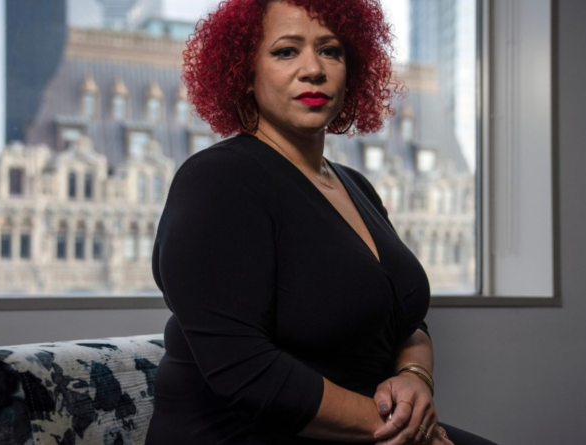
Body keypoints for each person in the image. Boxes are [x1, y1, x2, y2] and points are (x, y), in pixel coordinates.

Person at [146, 0, 497, 444]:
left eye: (330, 51)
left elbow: (405, 321)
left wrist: (414, 377)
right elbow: (246, 373)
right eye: (286, 51)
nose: (314, 69)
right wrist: (409, 433)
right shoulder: (216, 181)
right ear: (245, 72)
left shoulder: (356, 187)